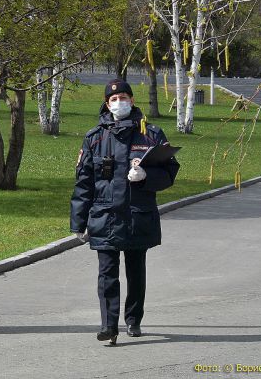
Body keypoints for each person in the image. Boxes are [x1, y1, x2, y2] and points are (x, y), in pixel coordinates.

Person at [70, 79, 179, 345]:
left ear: (132, 100)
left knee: (135, 270)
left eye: (124, 97)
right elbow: (84, 182)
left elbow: (169, 173)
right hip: (104, 215)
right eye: (114, 98)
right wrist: (78, 222)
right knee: (107, 272)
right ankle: (109, 325)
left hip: (137, 214)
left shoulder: (151, 134)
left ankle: (133, 320)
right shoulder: (95, 137)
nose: (120, 102)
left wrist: (145, 176)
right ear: (107, 104)